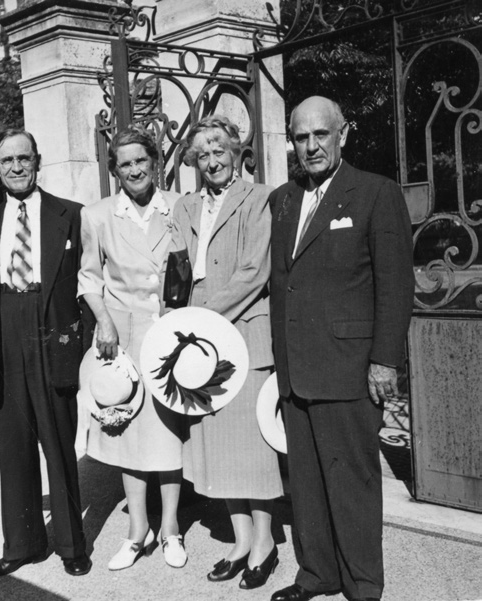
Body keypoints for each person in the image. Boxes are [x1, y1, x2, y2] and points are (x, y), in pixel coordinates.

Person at [269, 96, 414, 601]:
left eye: (320, 135)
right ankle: (317, 575)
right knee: (305, 483)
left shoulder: (375, 193)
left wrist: (383, 360)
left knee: (352, 482)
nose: (310, 147)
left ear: (343, 135)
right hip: (296, 370)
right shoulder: (283, 199)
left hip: (350, 368)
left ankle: (362, 584)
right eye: (301, 137)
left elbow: (396, 286)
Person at [0, 129, 92, 578]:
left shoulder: (71, 215)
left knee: (58, 443)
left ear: (38, 160)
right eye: (7, 161)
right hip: (3, 335)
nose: (17, 166)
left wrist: (86, 348)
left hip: (51, 332)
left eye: (24, 157)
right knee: (14, 447)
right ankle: (22, 544)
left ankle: (72, 546)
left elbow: (90, 286)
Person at [170, 115, 283, 590]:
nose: (212, 160)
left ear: (236, 151)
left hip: (242, 333)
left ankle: (266, 542)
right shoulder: (185, 205)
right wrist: (174, 322)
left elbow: (256, 272)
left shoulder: (260, 199)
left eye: (220, 149)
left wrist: (201, 315)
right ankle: (239, 540)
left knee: (252, 449)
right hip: (198, 341)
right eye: (203, 153)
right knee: (216, 444)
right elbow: (175, 272)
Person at [77, 124, 187, 570]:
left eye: (142, 160)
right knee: (126, 432)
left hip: (172, 335)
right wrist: (103, 322)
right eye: (126, 164)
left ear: (155, 162)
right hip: (120, 336)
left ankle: (172, 530)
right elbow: (89, 278)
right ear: (115, 171)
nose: (135, 170)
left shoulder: (180, 206)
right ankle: (137, 530)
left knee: (169, 433)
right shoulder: (98, 215)